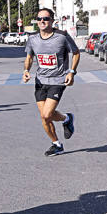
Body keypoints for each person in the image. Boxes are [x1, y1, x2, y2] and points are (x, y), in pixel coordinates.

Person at [22, 8, 80, 156]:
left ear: (52, 21)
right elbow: (29, 56)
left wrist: (72, 72)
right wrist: (26, 70)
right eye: (39, 18)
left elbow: (76, 52)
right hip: (40, 81)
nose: (42, 21)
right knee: (45, 116)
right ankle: (57, 142)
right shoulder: (32, 38)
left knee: (47, 115)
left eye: (46, 18)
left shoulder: (62, 36)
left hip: (58, 80)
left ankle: (66, 120)